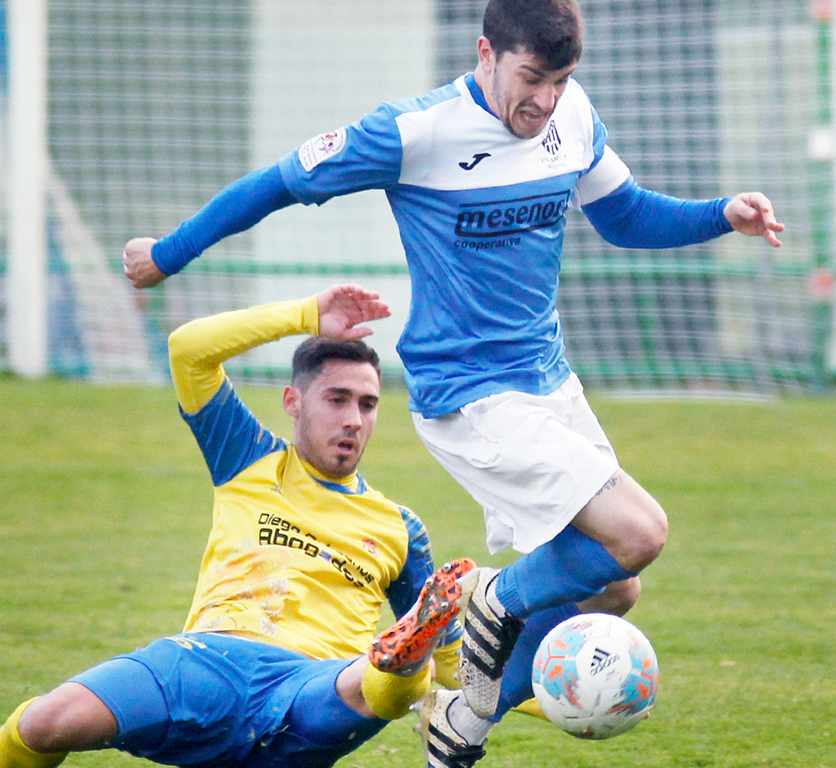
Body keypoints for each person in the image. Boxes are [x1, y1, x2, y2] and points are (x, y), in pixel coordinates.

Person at [121, 1, 786, 766]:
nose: (544, 101)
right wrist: (167, 254)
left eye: (562, 81)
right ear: (486, 54)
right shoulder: (415, 132)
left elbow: (626, 216)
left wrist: (720, 215)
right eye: (531, 78)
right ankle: (488, 601)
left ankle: (464, 717)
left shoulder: (572, 117)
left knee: (611, 587)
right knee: (639, 534)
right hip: (470, 397)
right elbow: (277, 183)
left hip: (550, 384)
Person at [0, 283, 476, 768]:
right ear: (294, 403)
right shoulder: (248, 457)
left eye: (368, 405)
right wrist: (304, 314)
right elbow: (190, 348)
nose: (353, 419)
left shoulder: (399, 527)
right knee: (45, 722)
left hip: (308, 686)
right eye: (337, 399)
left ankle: (395, 666)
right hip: (204, 662)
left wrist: (483, 707)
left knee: (379, 677)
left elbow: (449, 655)